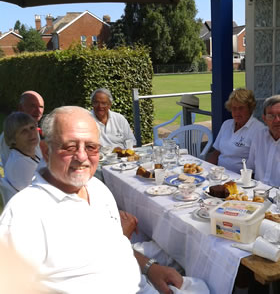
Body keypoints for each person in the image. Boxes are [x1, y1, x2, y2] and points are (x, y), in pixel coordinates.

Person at [0, 106, 195, 294]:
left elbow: (116, 248)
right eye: (70, 147)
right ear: (45, 151)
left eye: (91, 147)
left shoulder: (97, 189)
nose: (82, 156)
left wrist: (150, 268)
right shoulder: (24, 214)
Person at [207, 88, 266, 173]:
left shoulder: (259, 130)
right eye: (234, 108)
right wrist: (207, 170)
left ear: (250, 109)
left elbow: (259, 166)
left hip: (239, 179)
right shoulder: (226, 124)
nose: (237, 112)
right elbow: (217, 152)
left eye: (241, 108)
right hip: (219, 174)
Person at [2, 112, 40, 202]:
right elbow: (36, 198)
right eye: (24, 131)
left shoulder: (30, 153)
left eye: (32, 128)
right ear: (13, 139)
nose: (31, 134)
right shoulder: (19, 165)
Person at [0, 90, 44, 165]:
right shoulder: (12, 133)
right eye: (33, 106)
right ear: (20, 107)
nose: (38, 111)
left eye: (41, 107)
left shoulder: (34, 131)